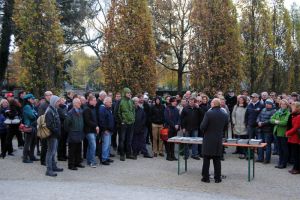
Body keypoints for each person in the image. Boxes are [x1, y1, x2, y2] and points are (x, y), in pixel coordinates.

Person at [200, 98, 228, 183]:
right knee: (217, 160)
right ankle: (217, 178)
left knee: (206, 159)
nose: (210, 103)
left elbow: (202, 126)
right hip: (218, 138)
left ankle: (205, 178)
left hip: (208, 138)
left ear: (214, 104)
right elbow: (225, 127)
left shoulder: (209, 113)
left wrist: (206, 131)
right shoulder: (224, 114)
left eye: (211, 102)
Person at [45, 95, 64, 177]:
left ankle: (53, 166)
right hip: (52, 135)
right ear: (54, 102)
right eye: (58, 101)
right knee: (50, 152)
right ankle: (49, 170)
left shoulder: (54, 109)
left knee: (53, 152)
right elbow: (49, 125)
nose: (59, 103)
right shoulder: (49, 111)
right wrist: (56, 131)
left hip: (55, 135)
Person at [64, 98, 85, 170]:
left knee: (79, 149)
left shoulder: (80, 111)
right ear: (74, 104)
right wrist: (71, 131)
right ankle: (71, 165)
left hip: (79, 133)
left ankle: (77, 162)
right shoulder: (70, 113)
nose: (80, 104)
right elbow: (66, 125)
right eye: (79, 103)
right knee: (72, 150)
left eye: (80, 102)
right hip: (73, 134)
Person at [270, 99, 290, 169]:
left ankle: (284, 163)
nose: (283, 105)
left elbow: (285, 123)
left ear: (287, 105)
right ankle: (280, 162)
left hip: (283, 133)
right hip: (276, 132)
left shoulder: (288, 113)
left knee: (284, 149)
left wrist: (277, 122)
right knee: (279, 149)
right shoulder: (278, 112)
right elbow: (271, 119)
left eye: (284, 104)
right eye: (281, 104)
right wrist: (277, 121)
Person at [256, 99, 276, 164]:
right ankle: (260, 158)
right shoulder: (263, 109)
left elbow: (271, 120)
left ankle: (267, 159)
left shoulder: (274, 111)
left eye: (268, 103)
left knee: (267, 145)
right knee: (260, 144)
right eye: (266, 103)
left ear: (271, 104)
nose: (267, 104)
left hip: (268, 130)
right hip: (260, 129)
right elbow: (259, 116)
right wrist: (258, 121)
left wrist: (263, 123)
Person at [118, 88, 135, 161]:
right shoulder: (120, 101)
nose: (129, 94)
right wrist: (122, 121)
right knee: (122, 139)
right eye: (128, 93)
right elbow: (117, 112)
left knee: (129, 139)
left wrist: (133, 118)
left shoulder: (131, 101)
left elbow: (133, 111)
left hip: (131, 123)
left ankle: (128, 154)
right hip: (124, 124)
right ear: (124, 93)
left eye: (130, 93)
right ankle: (122, 154)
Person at [83, 96, 99, 168]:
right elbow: (87, 121)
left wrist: (96, 126)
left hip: (93, 130)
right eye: (94, 100)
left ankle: (89, 161)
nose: (96, 102)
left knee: (90, 146)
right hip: (89, 131)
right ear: (90, 101)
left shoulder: (93, 108)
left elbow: (95, 119)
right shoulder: (87, 109)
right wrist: (95, 126)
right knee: (93, 146)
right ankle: (92, 162)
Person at [22, 94, 38, 163]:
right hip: (29, 126)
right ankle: (25, 158)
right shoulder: (27, 106)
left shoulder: (31, 106)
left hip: (32, 126)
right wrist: (35, 114)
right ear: (28, 99)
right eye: (32, 99)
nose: (33, 100)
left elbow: (35, 114)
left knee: (33, 142)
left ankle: (31, 156)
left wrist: (35, 114)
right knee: (27, 143)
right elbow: (32, 116)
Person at [99, 97, 115, 165]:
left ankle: (107, 157)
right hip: (106, 131)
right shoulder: (102, 109)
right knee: (105, 145)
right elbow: (102, 121)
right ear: (105, 102)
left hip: (110, 130)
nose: (111, 103)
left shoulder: (108, 109)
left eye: (111, 102)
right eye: (110, 102)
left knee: (108, 144)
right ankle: (104, 159)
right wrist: (104, 130)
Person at [38, 91, 53, 165]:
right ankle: (43, 160)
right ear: (46, 96)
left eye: (52, 95)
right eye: (50, 95)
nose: (51, 96)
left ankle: (48, 160)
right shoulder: (43, 105)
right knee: (44, 145)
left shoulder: (51, 104)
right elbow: (41, 117)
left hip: (50, 127)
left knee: (49, 146)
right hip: (44, 128)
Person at [286, 102, 300, 174]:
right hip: (292, 137)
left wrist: (287, 133)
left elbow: (295, 128)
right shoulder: (293, 115)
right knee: (294, 154)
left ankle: (297, 169)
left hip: (296, 138)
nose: (291, 108)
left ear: (297, 108)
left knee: (296, 154)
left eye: (293, 107)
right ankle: (295, 167)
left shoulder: (298, 116)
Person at [164, 97, 180, 161]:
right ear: (171, 102)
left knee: (173, 143)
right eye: (174, 101)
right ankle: (168, 156)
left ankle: (173, 155)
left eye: (176, 101)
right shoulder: (167, 109)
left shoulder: (176, 109)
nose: (175, 102)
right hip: (169, 128)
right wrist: (174, 125)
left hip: (174, 129)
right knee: (168, 143)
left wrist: (178, 124)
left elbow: (179, 118)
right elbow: (167, 119)